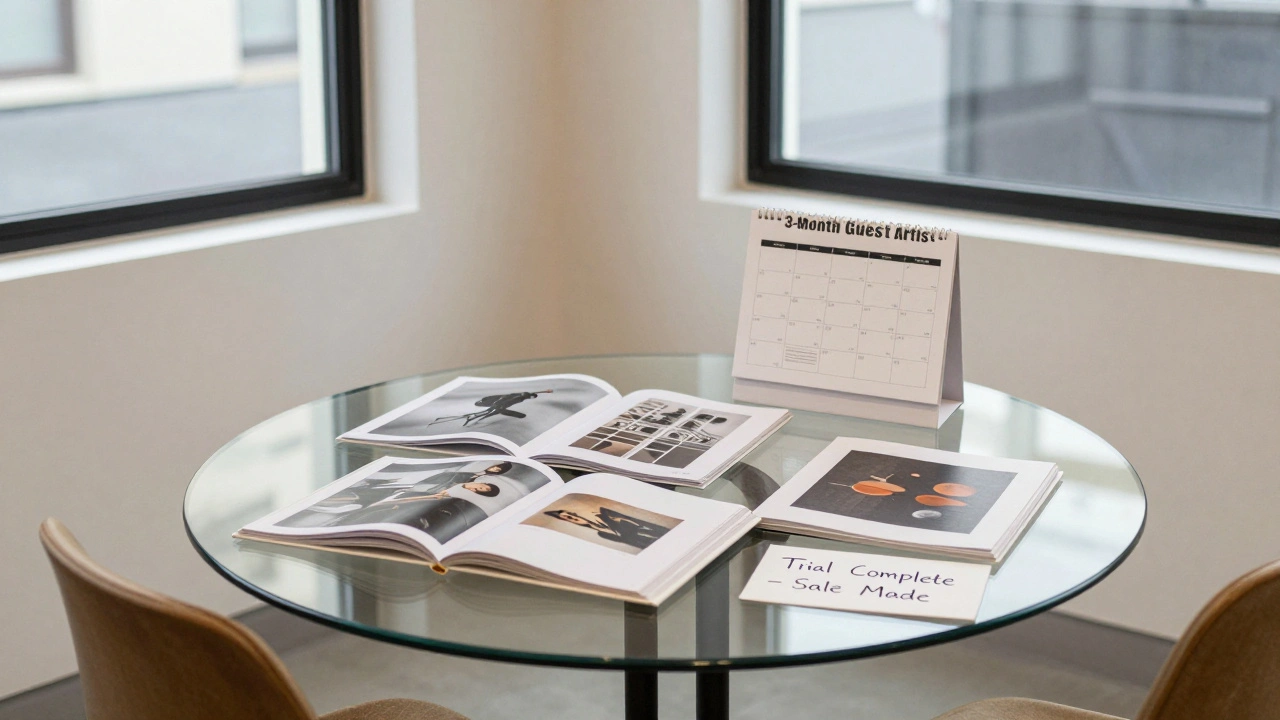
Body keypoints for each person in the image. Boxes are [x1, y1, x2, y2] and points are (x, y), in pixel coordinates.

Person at [544, 506, 671, 551]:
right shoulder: (600, 534)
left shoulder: (606, 515)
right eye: (567, 518)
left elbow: (644, 523)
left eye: (570, 515)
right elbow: (629, 542)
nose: (572, 518)